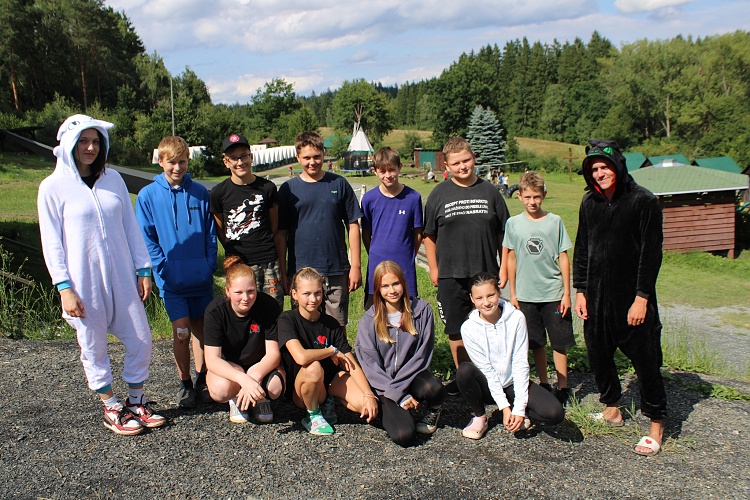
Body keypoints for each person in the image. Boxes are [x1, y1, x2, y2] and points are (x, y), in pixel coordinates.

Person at [37, 114, 165, 435]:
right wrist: (64, 287)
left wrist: (143, 269)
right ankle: (111, 407)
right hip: (83, 283)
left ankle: (136, 401)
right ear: (69, 144)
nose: (90, 148)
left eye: (96, 141)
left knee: (141, 338)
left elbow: (130, 226)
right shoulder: (52, 188)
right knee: (93, 346)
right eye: (83, 141)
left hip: (122, 278)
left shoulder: (113, 179)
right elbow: (51, 242)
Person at [574, 139, 666, 457]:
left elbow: (651, 255)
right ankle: (612, 408)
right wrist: (580, 291)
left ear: (618, 166)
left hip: (631, 298)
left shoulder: (644, 201)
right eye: (594, 169)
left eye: (605, 167)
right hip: (596, 297)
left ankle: (656, 425)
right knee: (598, 354)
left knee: (645, 360)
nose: (600, 173)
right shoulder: (590, 203)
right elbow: (582, 248)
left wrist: (642, 297)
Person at [136, 136, 217, 409]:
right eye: (171, 162)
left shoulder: (200, 193)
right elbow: (147, 238)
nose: (177, 167)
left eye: (182, 162)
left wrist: (209, 265)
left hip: (201, 279)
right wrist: (162, 269)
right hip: (172, 280)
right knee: (181, 332)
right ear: (160, 161)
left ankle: (203, 379)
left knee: (202, 333)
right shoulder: (148, 196)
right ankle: (185, 383)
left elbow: (210, 234)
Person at [423, 137, 510, 393]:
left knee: (490, 328)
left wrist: (503, 267)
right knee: (456, 330)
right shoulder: (439, 194)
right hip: (451, 274)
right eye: (456, 163)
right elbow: (429, 235)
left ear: (474, 159)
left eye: (466, 160)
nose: (462, 167)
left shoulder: (490, 192)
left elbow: (504, 234)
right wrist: (434, 268)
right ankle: (465, 379)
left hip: (485, 274)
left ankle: (495, 380)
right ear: (446, 166)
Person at [456, 272, 564, 439]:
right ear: (471, 298)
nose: (486, 303)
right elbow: (486, 370)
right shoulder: (468, 328)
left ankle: (518, 411)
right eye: (479, 298)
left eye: (490, 295)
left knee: (554, 413)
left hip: (512, 382)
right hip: (487, 384)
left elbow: (520, 362)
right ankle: (480, 417)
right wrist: (504, 408)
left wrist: (519, 409)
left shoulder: (516, 318)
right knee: (464, 371)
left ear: (499, 292)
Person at [277, 267, 378, 436]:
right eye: (306, 294)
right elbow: (301, 357)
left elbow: (351, 363)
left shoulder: (331, 324)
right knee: (313, 367)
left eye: (317, 293)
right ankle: (313, 414)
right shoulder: (287, 320)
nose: (313, 299)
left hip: (327, 384)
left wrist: (369, 394)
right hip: (300, 390)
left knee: (365, 406)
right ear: (294, 294)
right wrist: (331, 351)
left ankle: (327, 402)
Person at [277, 131, 363, 327]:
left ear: (324, 154)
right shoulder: (288, 189)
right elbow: (281, 233)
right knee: (304, 326)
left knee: (337, 325)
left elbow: (353, 224)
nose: (312, 162)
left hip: (335, 269)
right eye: (306, 158)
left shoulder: (339, 184)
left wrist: (356, 266)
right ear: (298, 157)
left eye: (317, 156)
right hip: (301, 271)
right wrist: (283, 271)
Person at [503, 171, 574, 406]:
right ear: (519, 196)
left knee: (559, 342)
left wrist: (566, 293)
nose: (532, 202)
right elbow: (511, 258)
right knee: (535, 342)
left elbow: (563, 257)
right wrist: (513, 294)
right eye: (527, 197)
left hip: (553, 293)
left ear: (544, 195)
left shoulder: (555, 221)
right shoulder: (513, 224)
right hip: (526, 295)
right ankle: (544, 383)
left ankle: (562, 386)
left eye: (536, 197)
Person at [355, 261, 446, 446]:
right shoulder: (368, 320)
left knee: (434, 388)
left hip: (413, 378)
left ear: (403, 283)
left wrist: (402, 388)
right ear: (377, 289)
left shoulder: (422, 310)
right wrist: (397, 394)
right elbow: (369, 365)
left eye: (396, 283)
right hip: (384, 385)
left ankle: (433, 409)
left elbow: (422, 355)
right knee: (404, 436)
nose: (392, 290)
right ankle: (395, 409)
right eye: (385, 286)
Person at [203, 256, 284, 424]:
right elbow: (212, 359)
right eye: (238, 293)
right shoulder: (215, 311)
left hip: (260, 364)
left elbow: (273, 354)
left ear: (257, 289)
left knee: (275, 388)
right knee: (219, 390)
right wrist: (243, 379)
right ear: (227, 291)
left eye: (251, 291)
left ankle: (260, 399)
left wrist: (255, 375)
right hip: (231, 366)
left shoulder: (268, 306)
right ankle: (236, 397)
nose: (245, 298)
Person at [210, 134, 284, 308]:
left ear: (251, 157)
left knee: (272, 310)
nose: (240, 162)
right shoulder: (218, 192)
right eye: (234, 158)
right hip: (238, 263)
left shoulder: (267, 188)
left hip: (267, 260)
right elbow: (220, 229)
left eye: (244, 156)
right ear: (226, 162)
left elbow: (274, 225)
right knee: (242, 311)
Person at [361, 147, 423, 309]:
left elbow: (418, 233)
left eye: (392, 170)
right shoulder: (369, 199)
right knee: (375, 312)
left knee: (407, 311)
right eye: (382, 171)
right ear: (375, 171)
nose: (388, 175)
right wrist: (374, 252)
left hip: (404, 265)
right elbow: (366, 233)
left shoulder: (413, 198)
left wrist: (409, 254)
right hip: (377, 265)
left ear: (399, 167)